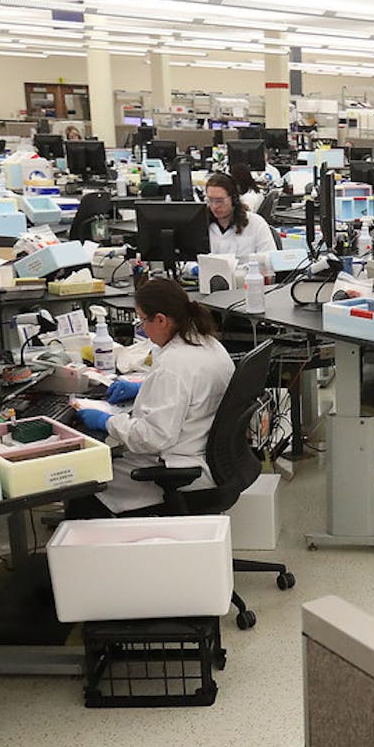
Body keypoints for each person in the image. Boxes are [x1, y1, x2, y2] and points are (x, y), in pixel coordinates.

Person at [72, 280, 235, 515]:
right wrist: (145, 389)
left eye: (142, 320)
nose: (142, 330)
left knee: (85, 481)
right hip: (210, 458)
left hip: (178, 470)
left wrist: (105, 421)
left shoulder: (173, 364)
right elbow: (194, 393)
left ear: (160, 319)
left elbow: (152, 438)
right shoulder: (208, 343)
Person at [205, 173, 275, 256]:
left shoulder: (256, 223)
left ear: (234, 199)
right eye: (210, 200)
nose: (215, 206)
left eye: (220, 201)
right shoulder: (201, 225)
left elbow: (270, 260)